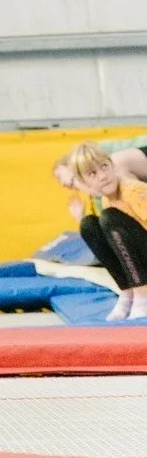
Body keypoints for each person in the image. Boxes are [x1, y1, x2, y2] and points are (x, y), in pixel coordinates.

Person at [71, 142, 147, 321]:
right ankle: (127, 292)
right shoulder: (107, 200)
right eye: (93, 173)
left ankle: (142, 294)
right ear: (84, 183)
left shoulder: (134, 191)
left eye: (104, 167)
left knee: (109, 218)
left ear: (112, 166)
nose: (103, 176)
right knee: (88, 225)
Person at [52, 135, 147, 222]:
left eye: (73, 182)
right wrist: (80, 217)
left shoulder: (111, 163)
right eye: (72, 186)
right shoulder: (102, 197)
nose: (78, 187)